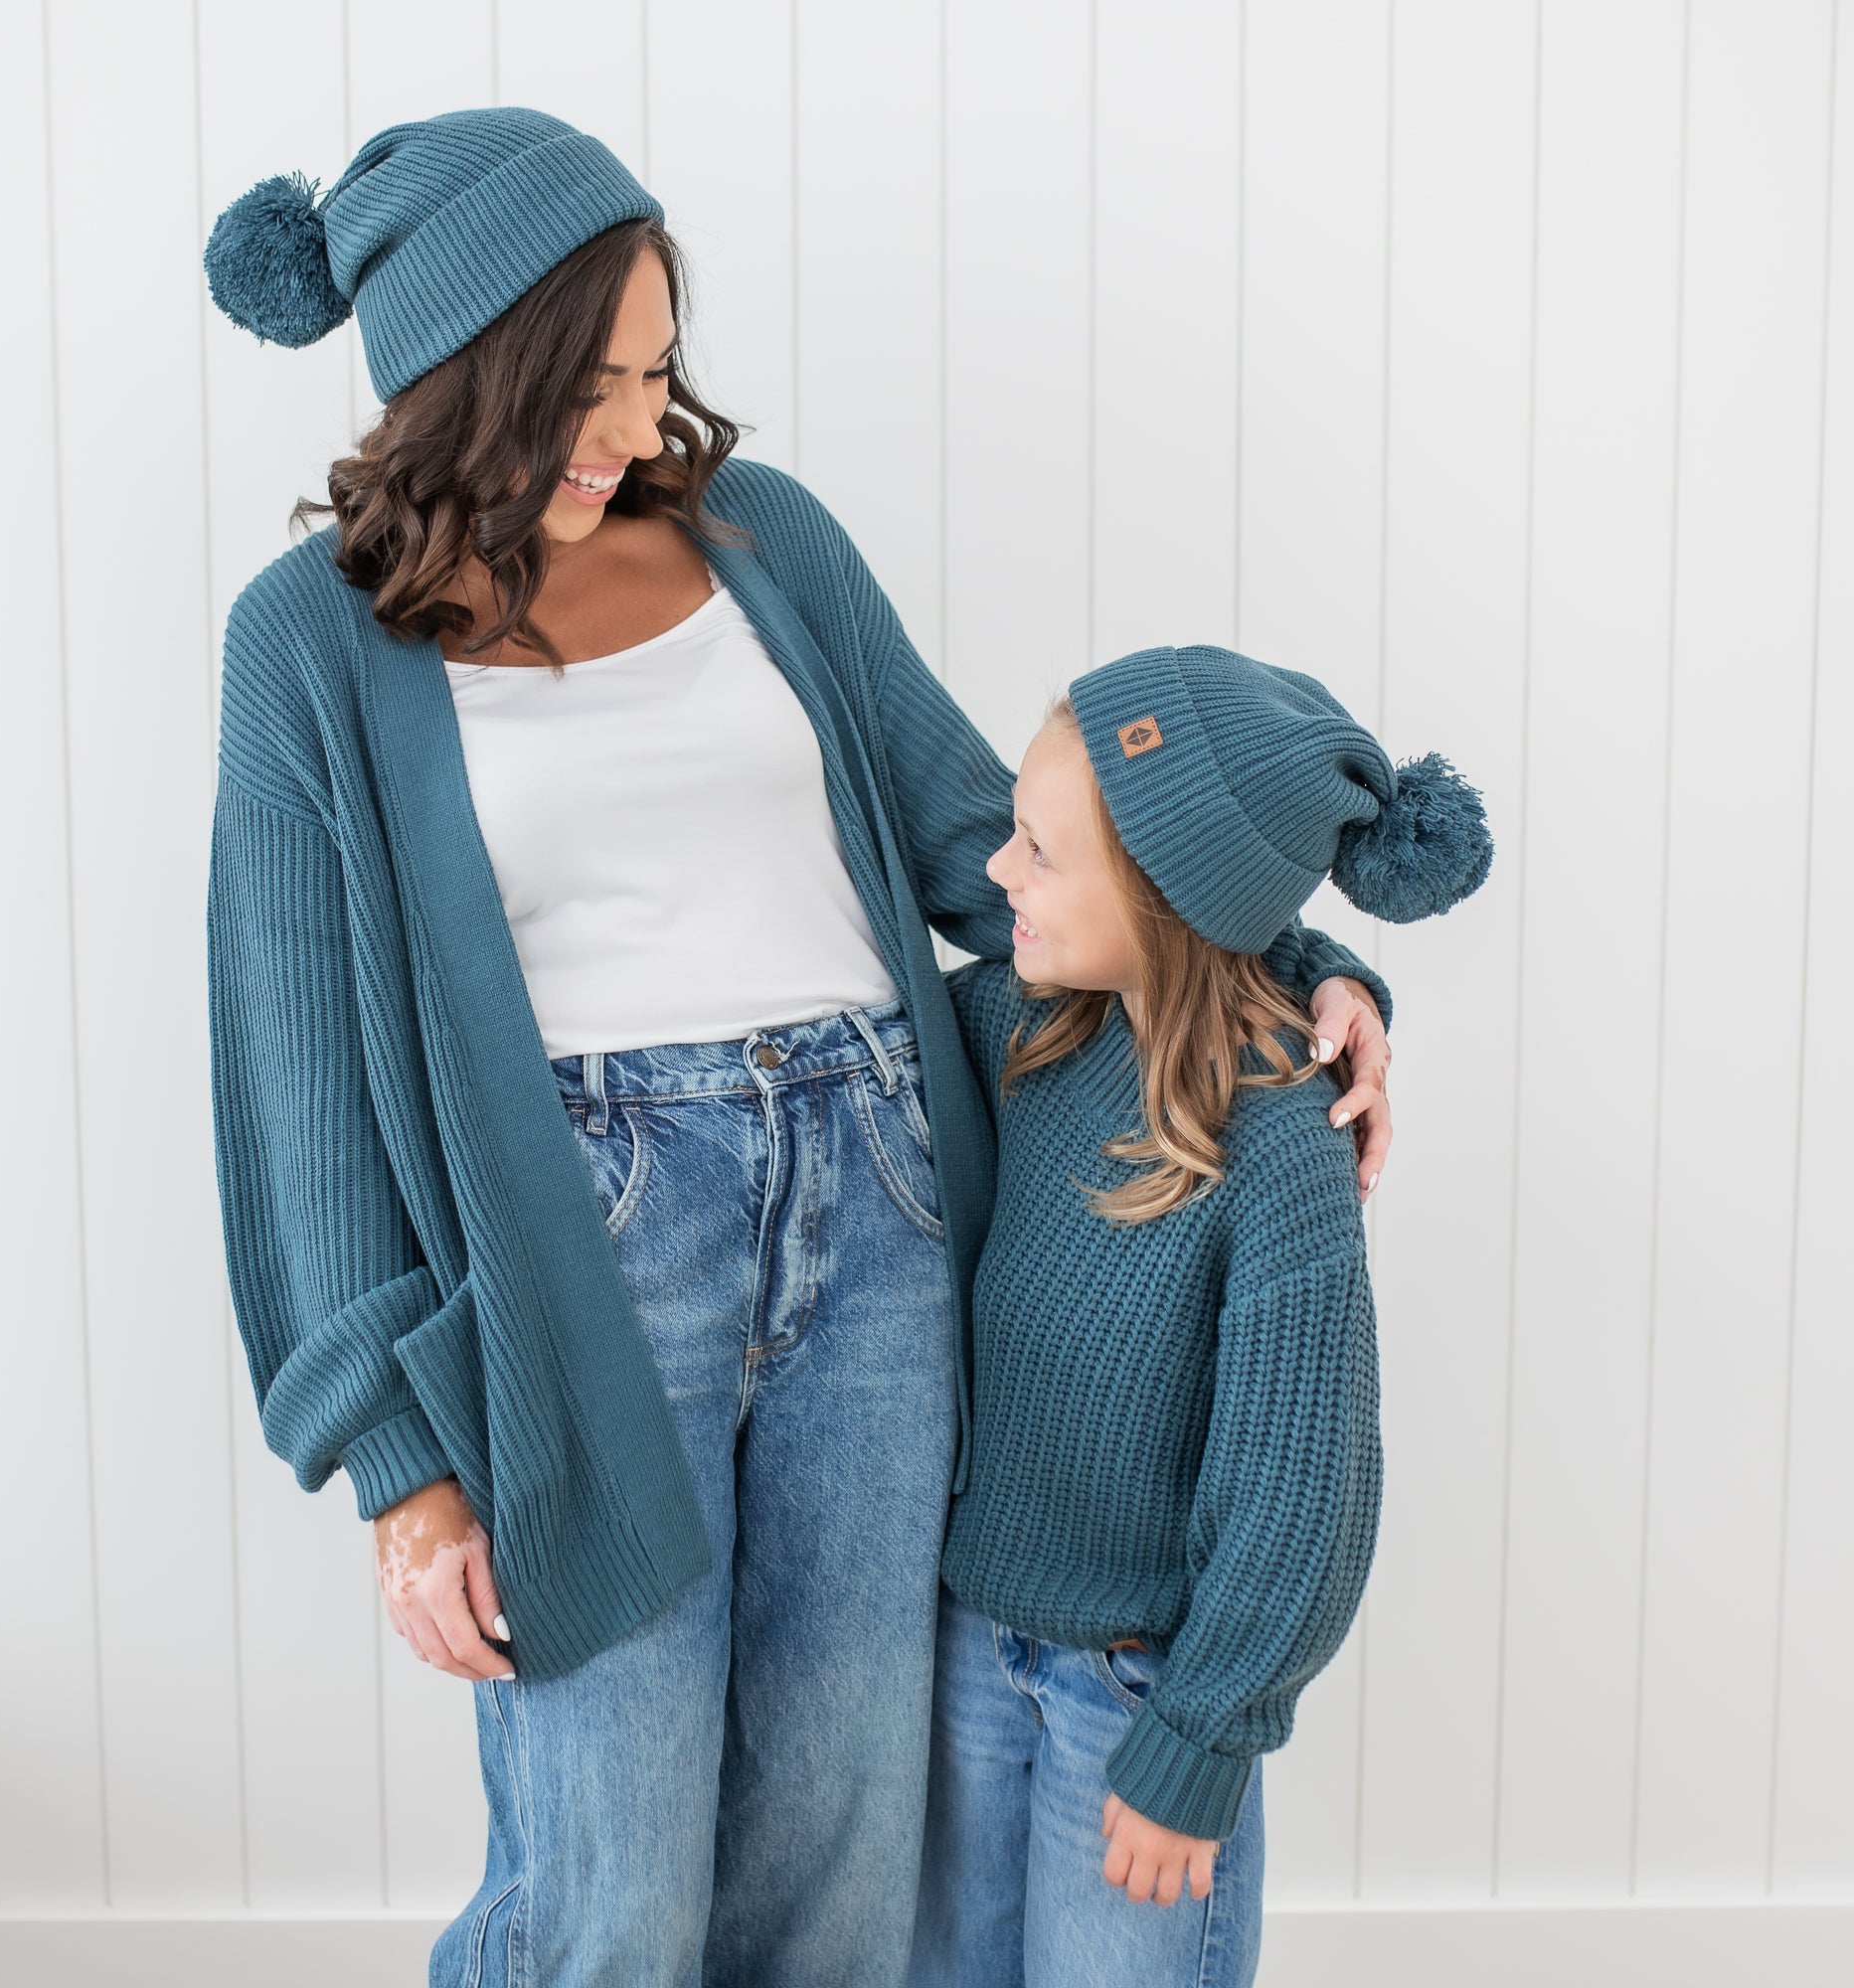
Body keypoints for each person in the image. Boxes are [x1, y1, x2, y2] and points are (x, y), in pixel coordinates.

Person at [202, 108, 1397, 1986]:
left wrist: (1291, 968)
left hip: (884, 1202)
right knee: (611, 1879)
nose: (627, 427)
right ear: (458, 379)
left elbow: (991, 847)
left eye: (654, 368)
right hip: (582, 1255)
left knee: (842, 1855)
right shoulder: (308, 649)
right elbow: (297, 1074)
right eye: (578, 387)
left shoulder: (769, 548)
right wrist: (400, 1469)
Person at [908, 648, 1492, 1986]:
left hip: (1137, 1700)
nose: (998, 875)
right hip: (967, 1664)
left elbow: (1305, 1487)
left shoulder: (1283, 1142)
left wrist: (1204, 1734)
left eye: (1042, 853)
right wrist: (1326, 960)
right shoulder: (1017, 1025)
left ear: (1168, 899)